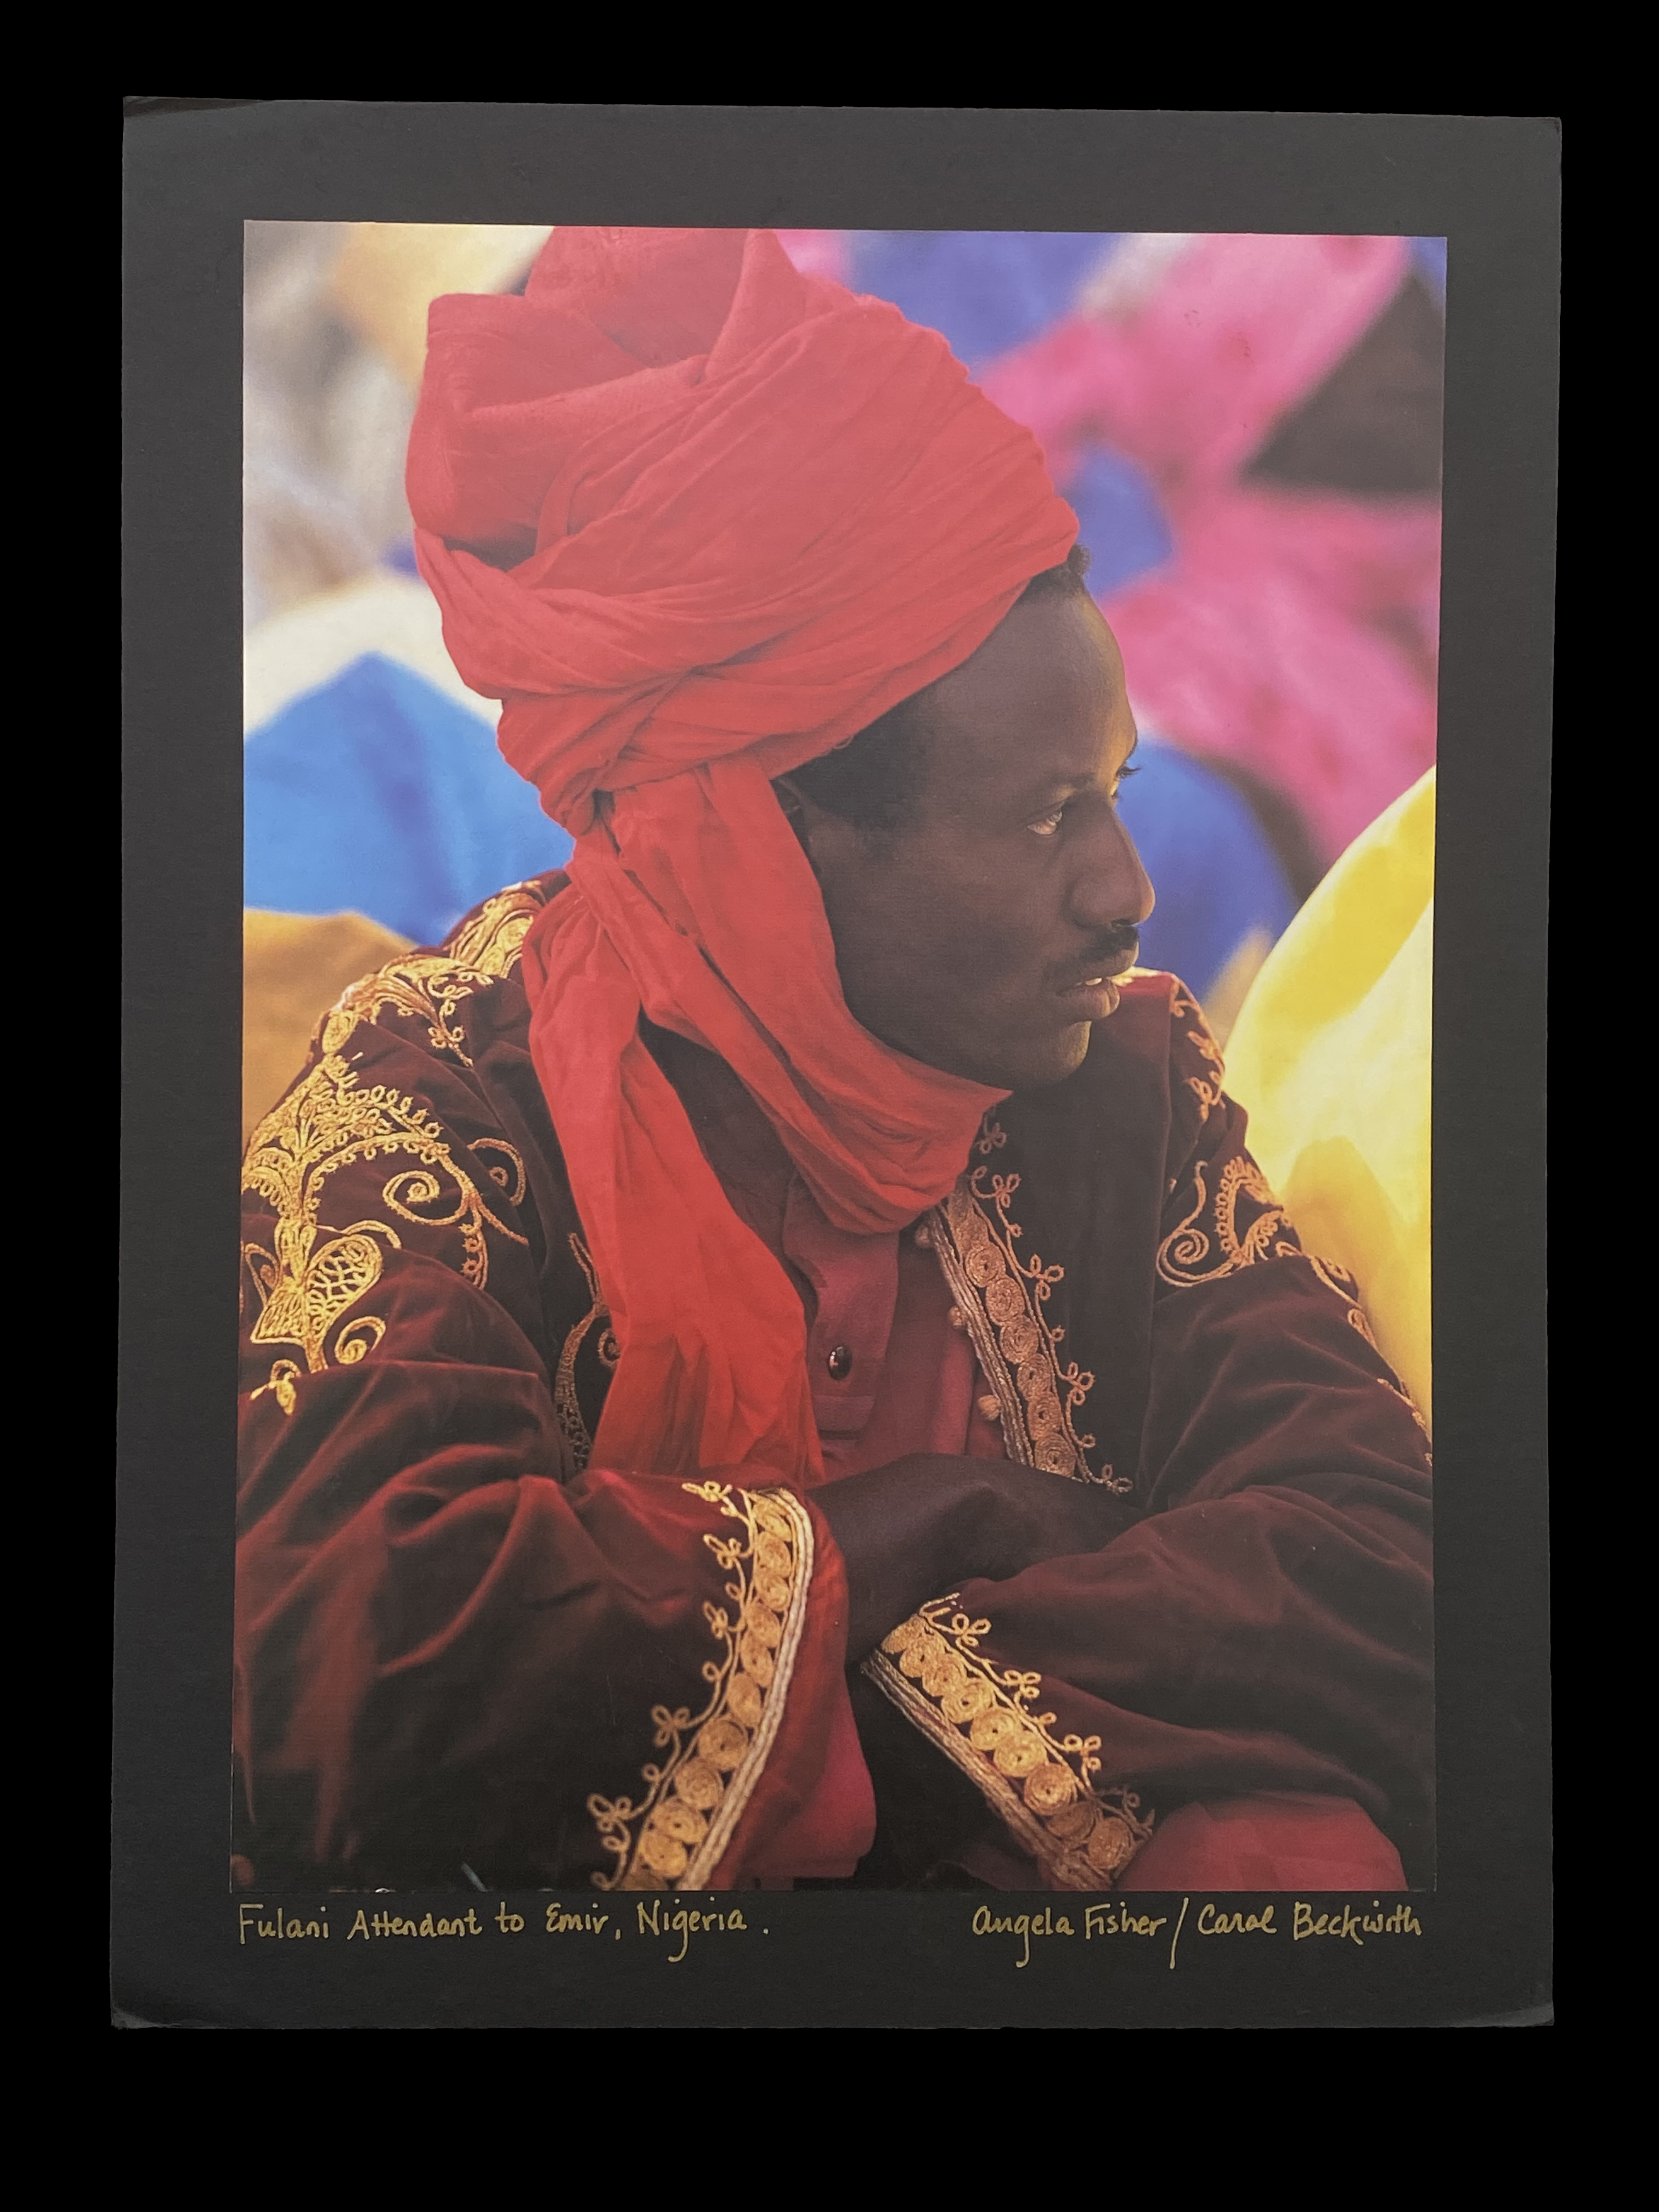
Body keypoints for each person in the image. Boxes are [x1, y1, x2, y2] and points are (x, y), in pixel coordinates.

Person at [235, 227, 1432, 1898]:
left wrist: (811, 1682)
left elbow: (1371, 1557)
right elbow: (363, 1663)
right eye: (1042, 819)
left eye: (1116, 788)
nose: (1129, 891)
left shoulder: (1124, 1091)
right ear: (759, 844)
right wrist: (952, 1525)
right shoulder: (428, 1112)